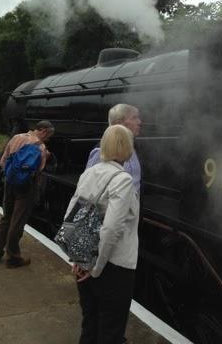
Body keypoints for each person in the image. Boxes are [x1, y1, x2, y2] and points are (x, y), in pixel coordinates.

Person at [70, 124, 139, 344]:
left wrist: (79, 258)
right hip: (113, 266)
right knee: (111, 330)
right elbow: (111, 229)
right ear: (128, 147)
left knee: (90, 323)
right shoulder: (124, 180)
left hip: (85, 260)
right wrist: (96, 267)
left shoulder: (90, 172)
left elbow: (72, 215)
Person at [0, 120, 55, 268]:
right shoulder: (41, 147)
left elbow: (3, 161)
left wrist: (11, 175)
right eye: (48, 135)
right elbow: (39, 170)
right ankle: (13, 258)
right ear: (43, 131)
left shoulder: (16, 137)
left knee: (6, 217)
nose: (48, 139)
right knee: (17, 222)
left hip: (9, 182)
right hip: (26, 187)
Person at [86, 104, 142, 193]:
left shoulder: (134, 146)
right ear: (118, 124)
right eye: (134, 118)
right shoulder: (101, 150)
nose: (139, 122)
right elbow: (88, 188)